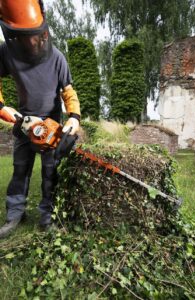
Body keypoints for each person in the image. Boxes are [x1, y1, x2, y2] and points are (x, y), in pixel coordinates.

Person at [0, 0, 80, 238]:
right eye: (26, 38)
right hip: (23, 123)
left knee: (50, 172)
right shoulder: (6, 53)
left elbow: (68, 91)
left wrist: (73, 118)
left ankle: (47, 216)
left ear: (43, 32)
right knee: (20, 169)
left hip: (52, 122)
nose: (32, 42)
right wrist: (4, 109)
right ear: (15, 36)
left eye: (35, 37)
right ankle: (15, 214)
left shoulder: (57, 58)